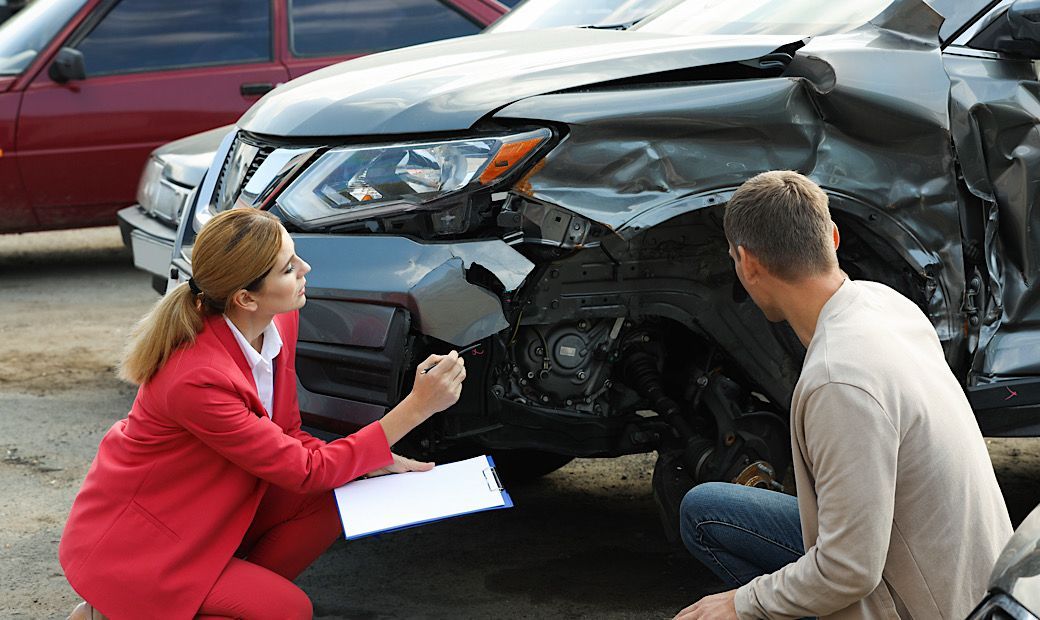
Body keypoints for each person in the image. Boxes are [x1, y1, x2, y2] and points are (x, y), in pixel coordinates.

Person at [60, 208, 466, 620]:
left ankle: (179, 606)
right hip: (143, 547)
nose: (306, 268)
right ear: (245, 297)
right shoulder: (196, 378)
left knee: (332, 498)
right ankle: (118, 611)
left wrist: (366, 459)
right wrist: (417, 407)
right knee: (288, 611)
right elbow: (304, 469)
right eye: (289, 267)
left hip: (203, 514)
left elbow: (289, 435)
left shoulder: (278, 321)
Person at [674, 171, 1013, 619]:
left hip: (937, 608)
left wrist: (741, 604)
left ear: (748, 264)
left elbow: (850, 569)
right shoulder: (885, 305)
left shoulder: (839, 381)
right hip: (974, 580)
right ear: (833, 237)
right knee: (705, 511)